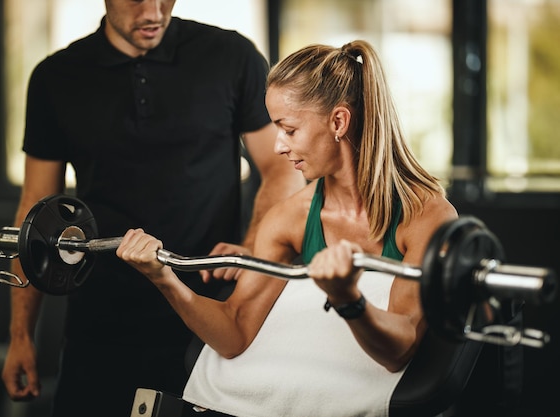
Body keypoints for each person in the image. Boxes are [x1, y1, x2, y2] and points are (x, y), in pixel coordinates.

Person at [116, 39, 459, 417]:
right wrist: (165, 279)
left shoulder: (428, 216)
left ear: (338, 122)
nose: (278, 145)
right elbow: (235, 334)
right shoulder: (289, 218)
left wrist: (348, 299)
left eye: (289, 129)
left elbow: (400, 350)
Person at [0, 1, 306, 416]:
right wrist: (21, 334)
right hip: (101, 321)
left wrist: (250, 245)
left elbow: (281, 168)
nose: (153, 11)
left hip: (208, 317)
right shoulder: (56, 78)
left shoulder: (231, 56)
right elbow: (34, 216)